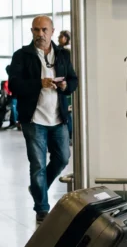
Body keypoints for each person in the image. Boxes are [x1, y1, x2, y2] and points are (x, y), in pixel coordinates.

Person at [8, 16, 78, 223]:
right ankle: (42, 207)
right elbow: (14, 85)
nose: (40, 34)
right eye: (37, 30)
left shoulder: (62, 55)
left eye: (44, 30)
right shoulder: (22, 55)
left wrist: (66, 87)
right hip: (34, 119)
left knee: (63, 158)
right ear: (32, 31)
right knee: (37, 164)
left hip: (58, 118)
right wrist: (39, 83)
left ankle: (38, 188)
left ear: (52, 31)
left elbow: (73, 80)